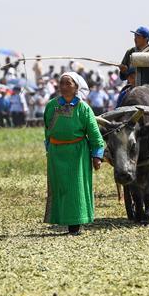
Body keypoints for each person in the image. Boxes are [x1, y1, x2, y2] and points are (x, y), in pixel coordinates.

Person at [44, 72, 104, 235]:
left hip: (77, 154)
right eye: (61, 83)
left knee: (75, 188)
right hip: (56, 153)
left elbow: (94, 134)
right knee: (60, 188)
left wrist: (97, 156)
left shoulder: (83, 108)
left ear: (76, 87)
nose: (64, 87)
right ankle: (61, 219)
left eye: (68, 83)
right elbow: (47, 130)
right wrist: (49, 149)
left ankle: (75, 225)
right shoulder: (51, 106)